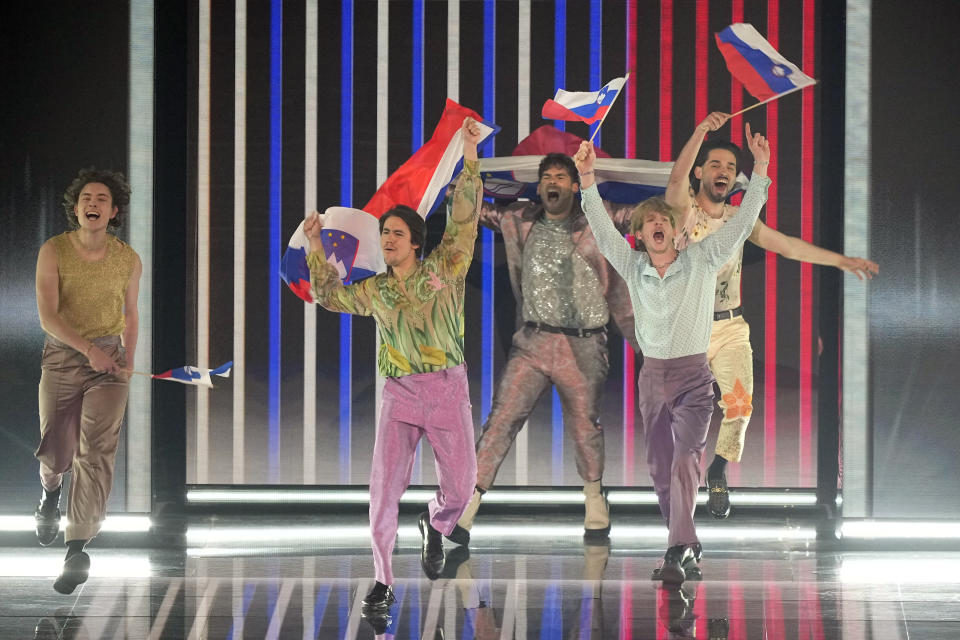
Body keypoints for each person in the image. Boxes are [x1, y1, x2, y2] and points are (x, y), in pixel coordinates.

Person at [303, 117, 484, 613]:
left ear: (416, 240)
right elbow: (330, 297)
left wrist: (469, 154)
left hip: (448, 388)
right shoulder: (376, 291)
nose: (388, 239)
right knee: (383, 492)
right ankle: (383, 581)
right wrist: (317, 245)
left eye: (397, 233)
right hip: (400, 394)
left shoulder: (446, 268)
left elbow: (464, 220)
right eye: (384, 233)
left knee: (463, 484)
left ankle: (437, 522)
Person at [574, 126, 770, 583]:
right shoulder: (634, 266)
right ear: (640, 236)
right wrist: (587, 180)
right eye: (649, 224)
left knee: (686, 461)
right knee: (660, 469)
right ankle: (685, 544)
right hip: (652, 380)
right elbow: (603, 232)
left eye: (665, 220)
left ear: (676, 227)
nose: (659, 226)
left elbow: (743, 223)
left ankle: (676, 551)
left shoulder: (702, 258)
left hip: (692, 379)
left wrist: (759, 171)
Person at [666, 112, 879, 518]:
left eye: (731, 166)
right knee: (682, 419)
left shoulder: (739, 220)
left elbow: (789, 246)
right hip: (686, 330)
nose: (724, 171)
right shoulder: (682, 209)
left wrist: (841, 261)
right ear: (699, 172)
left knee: (740, 408)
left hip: (730, 327)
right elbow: (676, 180)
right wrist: (699, 132)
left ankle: (718, 470)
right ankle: (680, 489)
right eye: (715, 164)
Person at [455, 152, 638, 538]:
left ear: (574, 185)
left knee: (585, 427)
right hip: (534, 342)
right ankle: (464, 508)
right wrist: (462, 169)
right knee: (501, 421)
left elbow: (642, 215)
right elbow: (469, 208)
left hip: (584, 345)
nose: (553, 182)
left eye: (561, 176)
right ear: (539, 187)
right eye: (547, 177)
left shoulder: (596, 219)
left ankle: (594, 499)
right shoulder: (519, 219)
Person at [34, 168, 142, 594]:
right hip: (63, 356)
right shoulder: (54, 250)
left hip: (109, 362)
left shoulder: (128, 258)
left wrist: (127, 358)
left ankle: (76, 548)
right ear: (76, 209)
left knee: (95, 451)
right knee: (56, 453)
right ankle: (49, 496)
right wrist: (88, 350)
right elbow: (48, 316)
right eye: (86, 198)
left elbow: (130, 314)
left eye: (101, 199)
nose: (92, 204)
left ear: (114, 211)